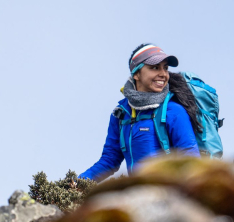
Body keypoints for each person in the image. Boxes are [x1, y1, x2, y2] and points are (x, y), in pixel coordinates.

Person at [79, 43, 202, 182]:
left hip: (169, 195)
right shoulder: (121, 114)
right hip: (140, 194)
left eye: (165, 68)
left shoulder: (173, 111)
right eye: (155, 68)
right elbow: (109, 160)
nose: (163, 74)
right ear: (136, 74)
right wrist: (78, 182)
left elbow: (191, 160)